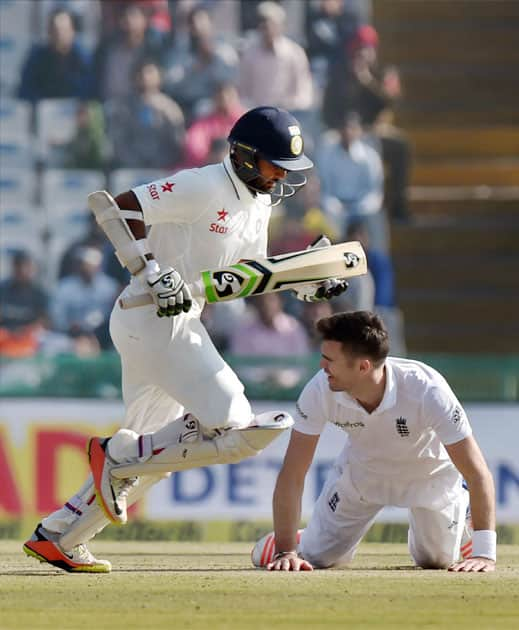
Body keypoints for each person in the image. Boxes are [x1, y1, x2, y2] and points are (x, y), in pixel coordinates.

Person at [23, 106, 348, 573]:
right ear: (242, 156)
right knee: (238, 428)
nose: (280, 177)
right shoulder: (204, 185)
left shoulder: (257, 204)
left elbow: (246, 279)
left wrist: (307, 283)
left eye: (286, 169)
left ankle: (60, 535)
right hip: (153, 316)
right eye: (274, 165)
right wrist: (151, 270)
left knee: (155, 456)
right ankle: (115, 452)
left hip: (172, 322)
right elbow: (121, 206)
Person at [251, 311, 496, 573]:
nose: (322, 367)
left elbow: (476, 472)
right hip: (361, 478)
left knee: (434, 561)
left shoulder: (428, 390)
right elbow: (293, 473)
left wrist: (485, 554)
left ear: (363, 366)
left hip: (430, 479)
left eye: (329, 360)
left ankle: (465, 533)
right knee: (318, 559)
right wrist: (286, 551)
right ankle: (304, 539)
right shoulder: (319, 389)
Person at [322, 24, 411, 222]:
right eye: (358, 49)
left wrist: (367, 81)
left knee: (400, 146)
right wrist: (344, 129)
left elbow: (390, 102)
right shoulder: (339, 77)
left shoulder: (384, 74)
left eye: (367, 49)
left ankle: (397, 205)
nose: (362, 54)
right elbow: (328, 111)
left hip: (372, 132)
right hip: (343, 133)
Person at [317, 111, 389, 254]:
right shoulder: (327, 155)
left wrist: (360, 208)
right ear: (339, 131)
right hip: (336, 206)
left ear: (359, 131)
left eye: (352, 128)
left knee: (376, 220)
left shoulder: (370, 156)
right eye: (344, 128)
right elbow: (325, 189)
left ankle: (378, 259)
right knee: (327, 219)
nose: (348, 132)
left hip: (363, 208)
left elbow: (374, 192)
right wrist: (335, 206)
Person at [105, 58, 185, 170]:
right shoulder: (122, 108)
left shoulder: (170, 108)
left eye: (150, 72)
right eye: (141, 73)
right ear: (133, 77)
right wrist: (134, 161)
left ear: (159, 77)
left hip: (162, 169)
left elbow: (177, 141)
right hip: (130, 168)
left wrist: (160, 162)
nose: (145, 77)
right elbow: (118, 141)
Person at [18, 8, 93, 102]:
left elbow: (91, 90)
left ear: (72, 31)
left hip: (76, 112)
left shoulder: (84, 58)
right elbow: (25, 89)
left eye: (64, 30)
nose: (59, 35)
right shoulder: (37, 56)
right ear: (48, 32)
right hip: (43, 113)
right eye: (55, 30)